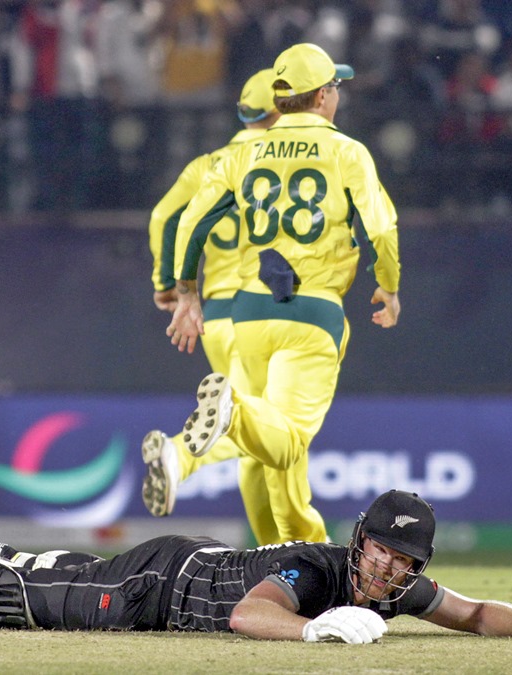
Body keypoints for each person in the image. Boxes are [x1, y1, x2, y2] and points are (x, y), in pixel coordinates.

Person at [166, 43, 402, 545]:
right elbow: (380, 227)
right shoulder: (346, 151)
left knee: (268, 449)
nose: (337, 94)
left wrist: (186, 291)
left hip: (251, 312)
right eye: (335, 86)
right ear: (320, 96)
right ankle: (233, 413)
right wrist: (388, 285)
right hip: (312, 310)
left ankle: (285, 552)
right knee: (290, 442)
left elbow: (190, 220)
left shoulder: (243, 153)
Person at [0, 490, 512, 643]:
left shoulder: (397, 589)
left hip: (176, 578)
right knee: (23, 602)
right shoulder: (319, 570)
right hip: (160, 585)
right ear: (359, 542)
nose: (386, 567)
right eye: (379, 549)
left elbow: (474, 611)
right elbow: (248, 614)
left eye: (402, 559)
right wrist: (313, 631)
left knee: (52, 575)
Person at [141, 68, 291, 551]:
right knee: (269, 428)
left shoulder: (207, 164)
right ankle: (180, 455)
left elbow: (164, 217)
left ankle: (273, 552)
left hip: (215, 317)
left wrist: (168, 284)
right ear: (281, 112)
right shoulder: (282, 162)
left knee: (254, 441)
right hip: (262, 313)